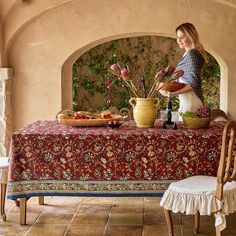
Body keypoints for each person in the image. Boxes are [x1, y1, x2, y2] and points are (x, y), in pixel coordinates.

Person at [159, 23, 208, 116]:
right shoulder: (188, 54)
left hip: (191, 102)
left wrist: (172, 94)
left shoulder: (193, 54)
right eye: (178, 37)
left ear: (191, 36)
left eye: (182, 37)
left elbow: (193, 83)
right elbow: (186, 77)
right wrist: (174, 73)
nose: (179, 40)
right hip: (187, 102)